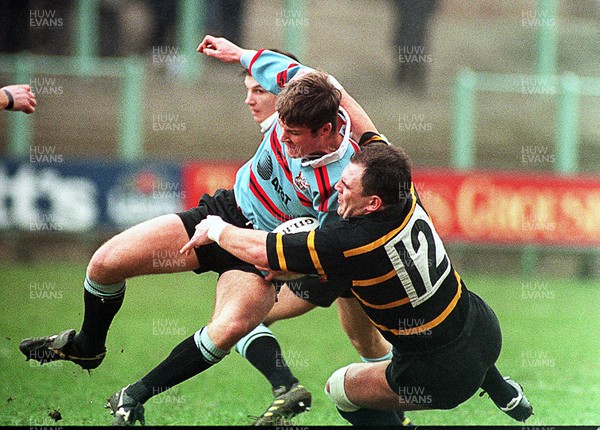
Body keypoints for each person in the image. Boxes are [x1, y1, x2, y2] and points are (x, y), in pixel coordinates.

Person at [18, 38, 399, 426]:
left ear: (327, 129)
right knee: (104, 263)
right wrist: (238, 54)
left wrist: (285, 265)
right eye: (280, 130)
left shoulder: (345, 183)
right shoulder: (305, 88)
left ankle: (133, 396)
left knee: (232, 326)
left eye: (293, 135)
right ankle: (87, 345)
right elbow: (280, 68)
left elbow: (324, 248)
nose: (281, 140)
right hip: (225, 209)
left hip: (259, 250)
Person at [181, 141, 534, 426]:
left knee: (340, 390)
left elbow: (262, 250)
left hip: (441, 374)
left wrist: (217, 228)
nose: (337, 188)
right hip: (484, 328)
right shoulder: (404, 190)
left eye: (346, 186)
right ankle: (505, 392)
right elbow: (365, 128)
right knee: (428, 322)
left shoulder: (350, 241)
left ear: (372, 203)